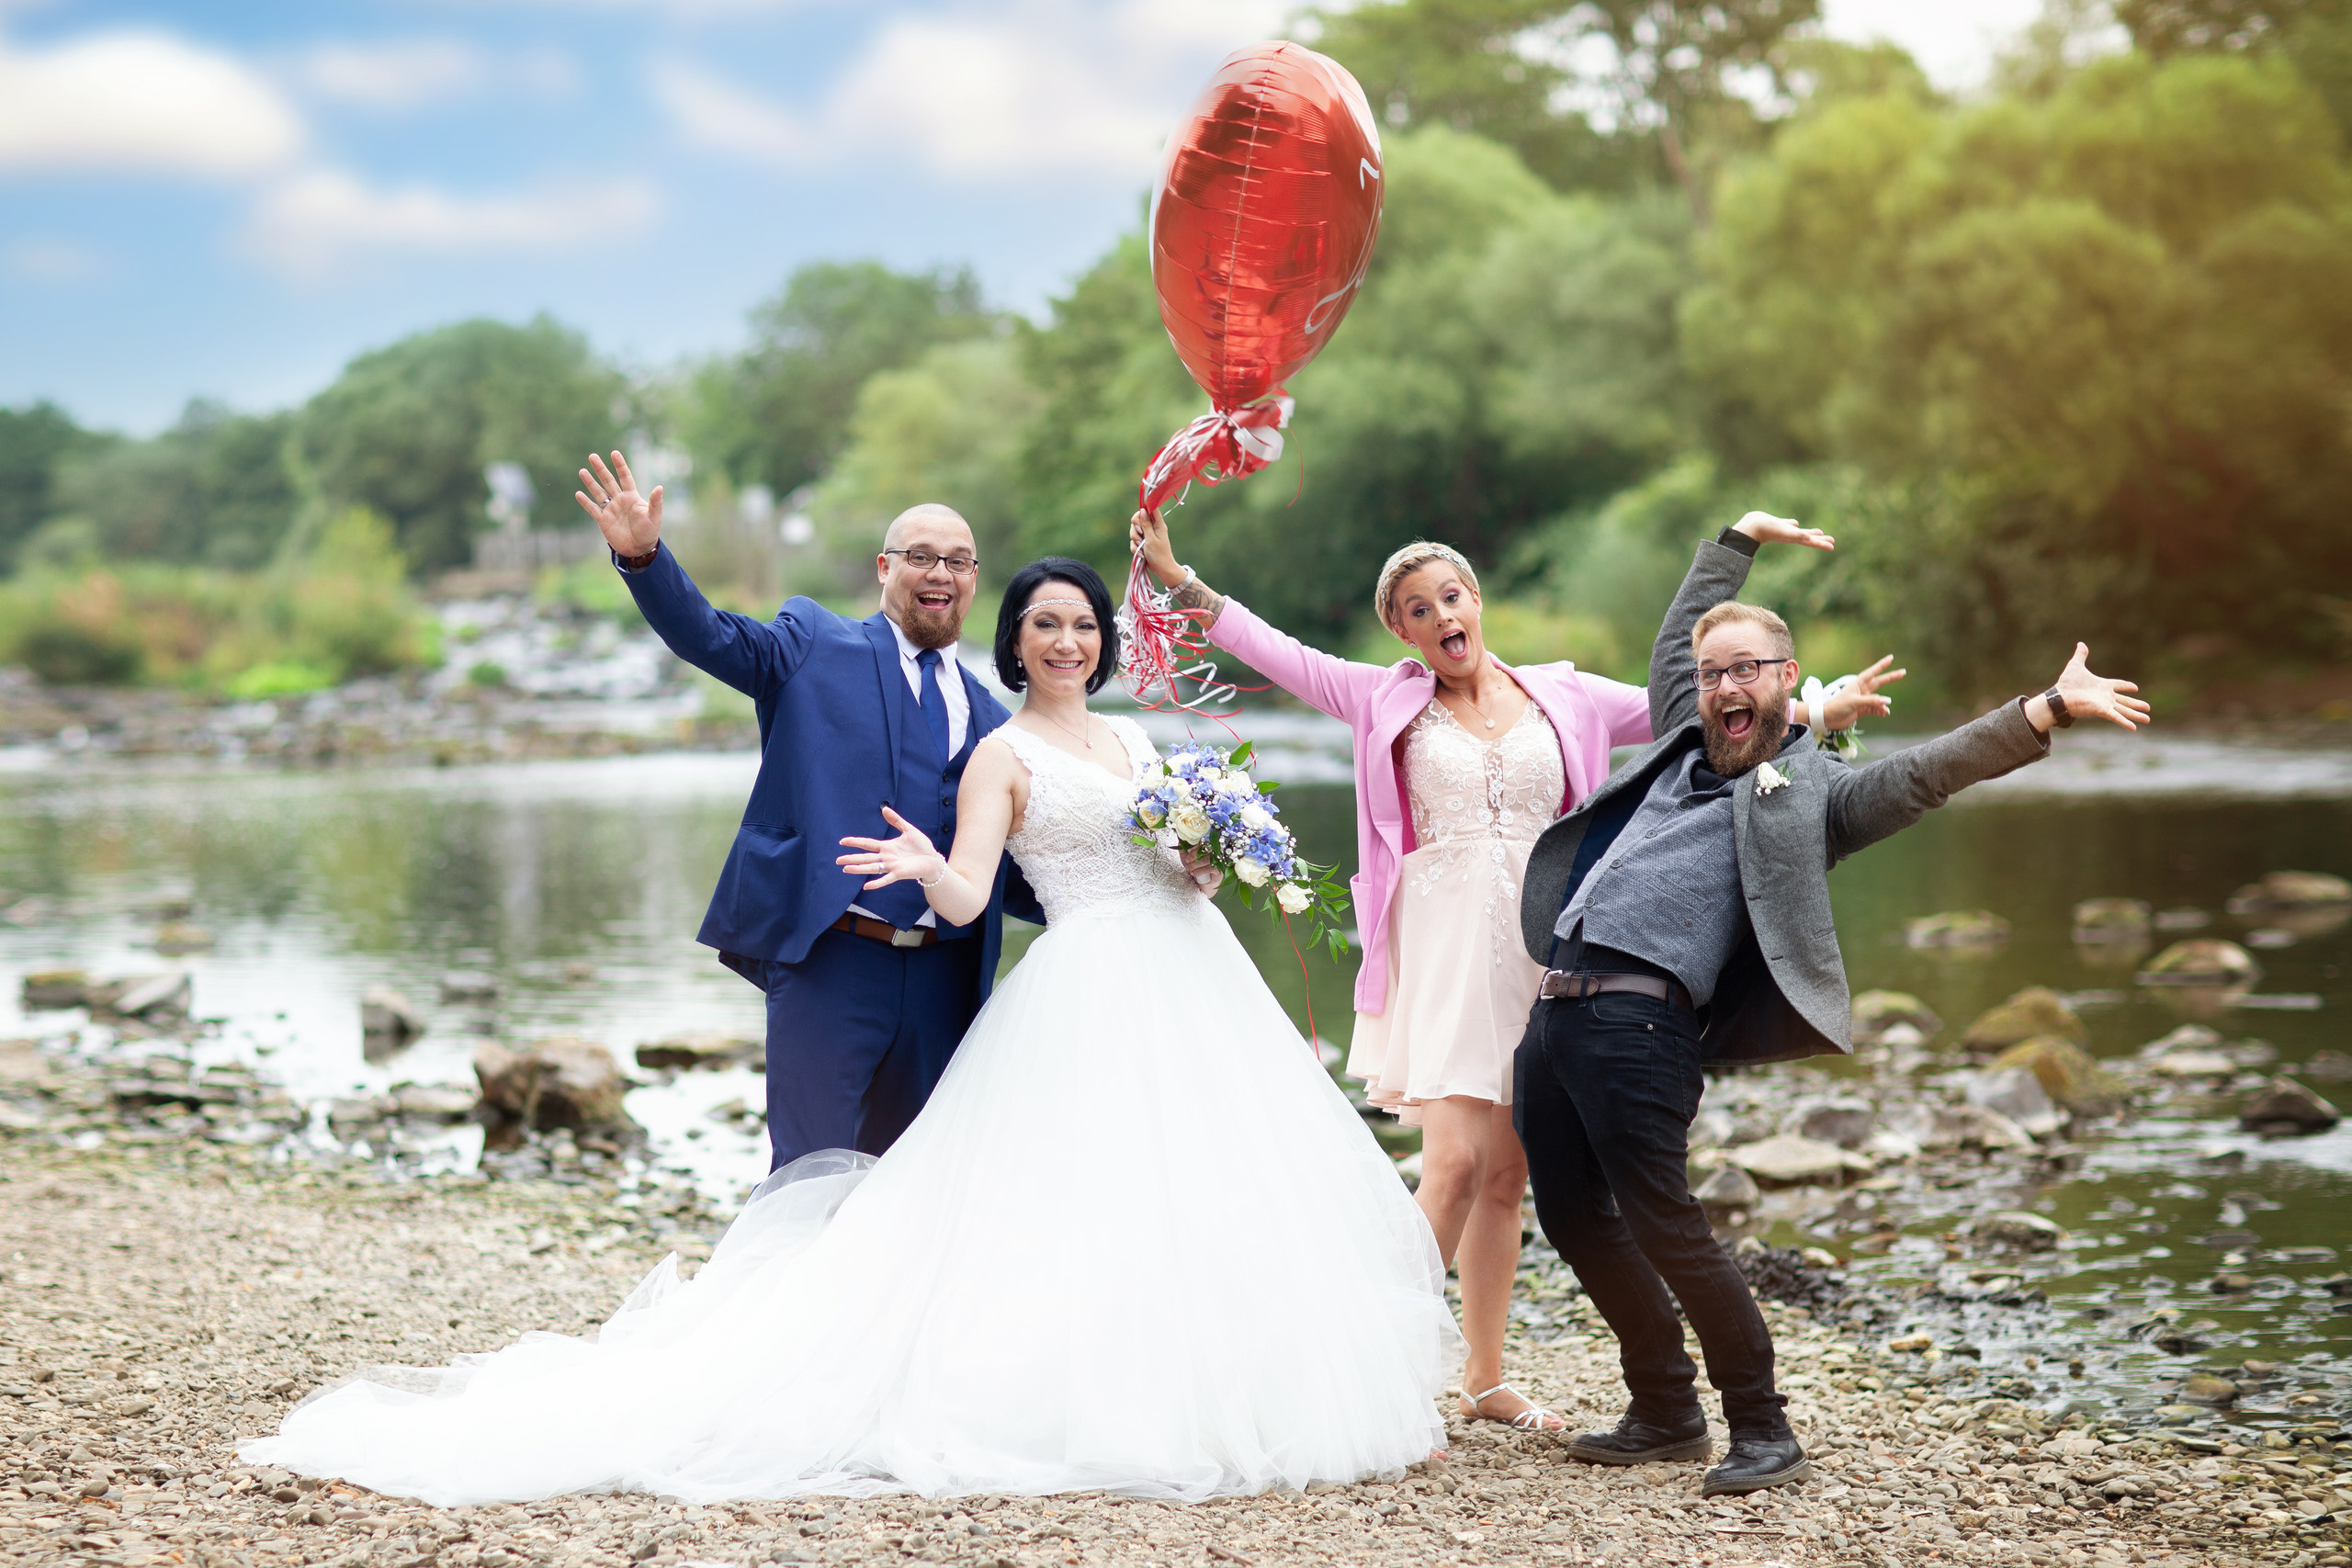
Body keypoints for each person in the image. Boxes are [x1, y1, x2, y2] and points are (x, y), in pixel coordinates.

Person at [240, 558, 1459, 1505]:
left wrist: (1208, 847)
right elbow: (981, 894)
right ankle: (1084, 1396)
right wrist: (930, 862)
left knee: (1188, 1183)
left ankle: (1219, 1377)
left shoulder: (1138, 739)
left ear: (1106, 638)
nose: (1069, 640)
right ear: (1015, 641)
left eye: (1084, 623)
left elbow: (1170, 872)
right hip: (1089, 980)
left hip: (1182, 968)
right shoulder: (1001, 745)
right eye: (1046, 625)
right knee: (1072, 1190)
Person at [1127, 509, 1900, 1434]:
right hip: (1446, 947)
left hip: (1553, 945)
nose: (1439, 615)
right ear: (1403, 633)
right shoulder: (1383, 698)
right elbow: (1276, 652)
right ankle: (1372, 1377)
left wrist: (1814, 709)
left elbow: (1695, 709)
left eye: (1449, 595)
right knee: (1451, 1163)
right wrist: (1182, 583)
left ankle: (1484, 1378)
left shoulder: (1564, 697)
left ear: (1474, 600)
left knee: (1506, 1178)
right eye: (1417, 610)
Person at [1512, 515, 2148, 1497]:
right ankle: (1664, 1407)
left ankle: (1761, 1429)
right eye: (1713, 671)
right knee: (1567, 1212)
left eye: (1747, 669)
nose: (1726, 686)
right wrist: (1733, 542)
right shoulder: (1680, 744)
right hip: (1552, 1011)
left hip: (1639, 1023)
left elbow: (1929, 771)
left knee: (1665, 1221)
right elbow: (1679, 632)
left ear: (1784, 676)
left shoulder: (1816, 798)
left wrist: (2043, 709)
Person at [569, 452, 1214, 1171]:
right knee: (807, 1173)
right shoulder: (811, 642)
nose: (940, 572)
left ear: (974, 581)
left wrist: (1155, 882)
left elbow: (1019, 864)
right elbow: (712, 636)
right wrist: (644, 558)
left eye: (959, 561)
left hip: (949, 978)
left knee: (919, 1188)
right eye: (921, 556)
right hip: (833, 960)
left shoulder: (992, 719)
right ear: (884, 568)